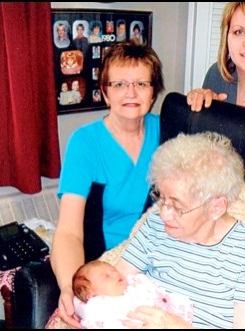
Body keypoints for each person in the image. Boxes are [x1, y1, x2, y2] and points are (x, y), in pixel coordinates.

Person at [51, 41, 165, 329]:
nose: (131, 92)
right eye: (119, 84)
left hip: (162, 267)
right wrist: (68, 288)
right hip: (110, 270)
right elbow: (68, 232)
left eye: (141, 83)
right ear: (105, 92)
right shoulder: (85, 143)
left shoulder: (169, 132)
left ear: (153, 92)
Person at [114, 132, 245, 329]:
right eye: (162, 200)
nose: (164, 215)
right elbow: (109, 285)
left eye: (177, 207)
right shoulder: (154, 226)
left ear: (216, 208)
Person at [72, 260, 193, 329]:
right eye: (106, 276)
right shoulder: (97, 308)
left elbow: (153, 294)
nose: (115, 274)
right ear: (90, 295)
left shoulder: (133, 284)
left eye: (113, 270)